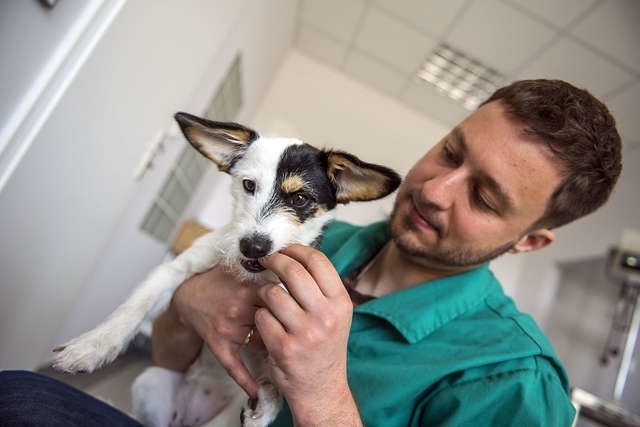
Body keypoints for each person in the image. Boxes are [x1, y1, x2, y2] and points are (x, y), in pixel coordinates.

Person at [0, 79, 621, 427]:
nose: (432, 189)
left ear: (531, 241)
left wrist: (322, 392)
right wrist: (189, 302)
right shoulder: (335, 241)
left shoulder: (513, 384)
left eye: (484, 197)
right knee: (18, 397)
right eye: (452, 152)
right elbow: (171, 349)